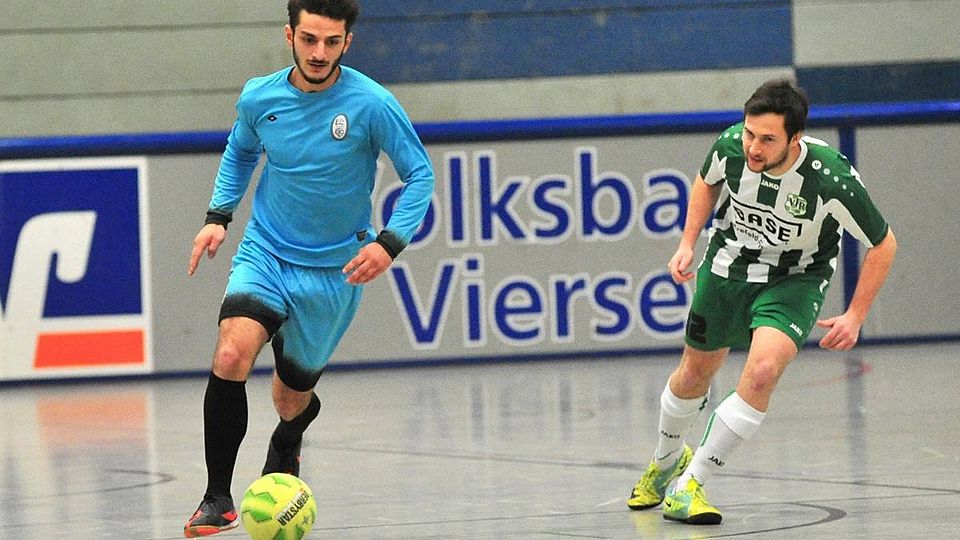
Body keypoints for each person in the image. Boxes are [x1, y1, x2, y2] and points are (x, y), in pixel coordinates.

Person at [181, 0, 435, 536]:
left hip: (333, 272)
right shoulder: (260, 97)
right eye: (309, 39)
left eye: (331, 42)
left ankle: (289, 435)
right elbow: (240, 152)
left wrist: (389, 243)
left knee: (289, 398)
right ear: (289, 35)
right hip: (267, 252)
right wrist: (218, 216)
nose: (319, 52)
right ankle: (217, 497)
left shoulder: (372, 103)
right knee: (231, 353)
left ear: (348, 42)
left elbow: (420, 176)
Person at [626, 78, 897, 525]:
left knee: (764, 369)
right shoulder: (731, 146)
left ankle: (690, 483)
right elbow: (706, 182)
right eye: (750, 133)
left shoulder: (831, 179)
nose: (753, 146)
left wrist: (856, 314)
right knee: (693, 373)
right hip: (729, 266)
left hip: (795, 279)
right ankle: (665, 460)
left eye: (767, 139)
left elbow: (883, 244)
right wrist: (687, 242)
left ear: (795, 138)